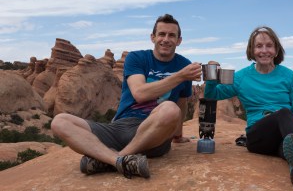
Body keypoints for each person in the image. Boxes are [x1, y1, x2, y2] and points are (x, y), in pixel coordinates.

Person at [51, 14, 202, 179]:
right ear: (153, 37)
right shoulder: (136, 58)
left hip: (154, 133)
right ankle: (118, 160)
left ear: (179, 40)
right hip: (119, 128)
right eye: (161, 34)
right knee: (60, 121)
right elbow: (140, 94)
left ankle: (110, 159)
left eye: (171, 35)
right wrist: (180, 76)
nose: (166, 39)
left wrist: (178, 136)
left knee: (170, 109)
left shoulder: (184, 65)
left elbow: (181, 103)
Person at [204, 26, 293, 187]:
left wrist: (287, 121)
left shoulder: (290, 77)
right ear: (251, 50)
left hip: (282, 137)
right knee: (284, 113)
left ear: (276, 50)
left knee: (290, 146)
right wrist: (211, 74)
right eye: (259, 46)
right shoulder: (241, 77)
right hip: (258, 138)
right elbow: (212, 95)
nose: (264, 50)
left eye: (269, 45)